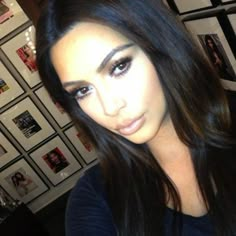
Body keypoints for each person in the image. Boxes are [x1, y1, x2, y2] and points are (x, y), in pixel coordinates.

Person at [36, 0, 236, 235]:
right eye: (83, 90)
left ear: (159, 43)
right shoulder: (95, 200)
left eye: (119, 67)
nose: (110, 107)